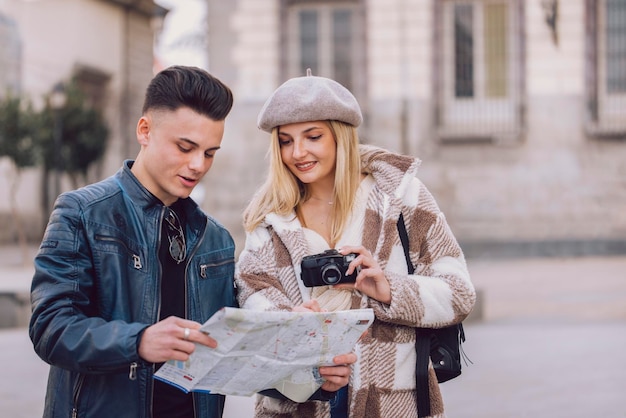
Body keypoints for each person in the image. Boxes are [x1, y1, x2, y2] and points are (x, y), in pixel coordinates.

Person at [235, 70, 476, 418]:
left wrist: (389, 289)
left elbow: (459, 293)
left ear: (340, 136)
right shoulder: (269, 216)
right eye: (285, 141)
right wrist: (290, 324)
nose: (297, 152)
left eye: (313, 136)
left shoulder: (401, 197)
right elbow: (251, 296)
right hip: (295, 404)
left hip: (393, 401)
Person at [29, 65, 236, 418]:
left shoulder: (215, 238)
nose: (198, 164)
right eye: (185, 147)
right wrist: (138, 341)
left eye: (209, 152)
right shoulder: (82, 212)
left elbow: (232, 348)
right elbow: (51, 326)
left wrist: (305, 364)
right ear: (145, 130)